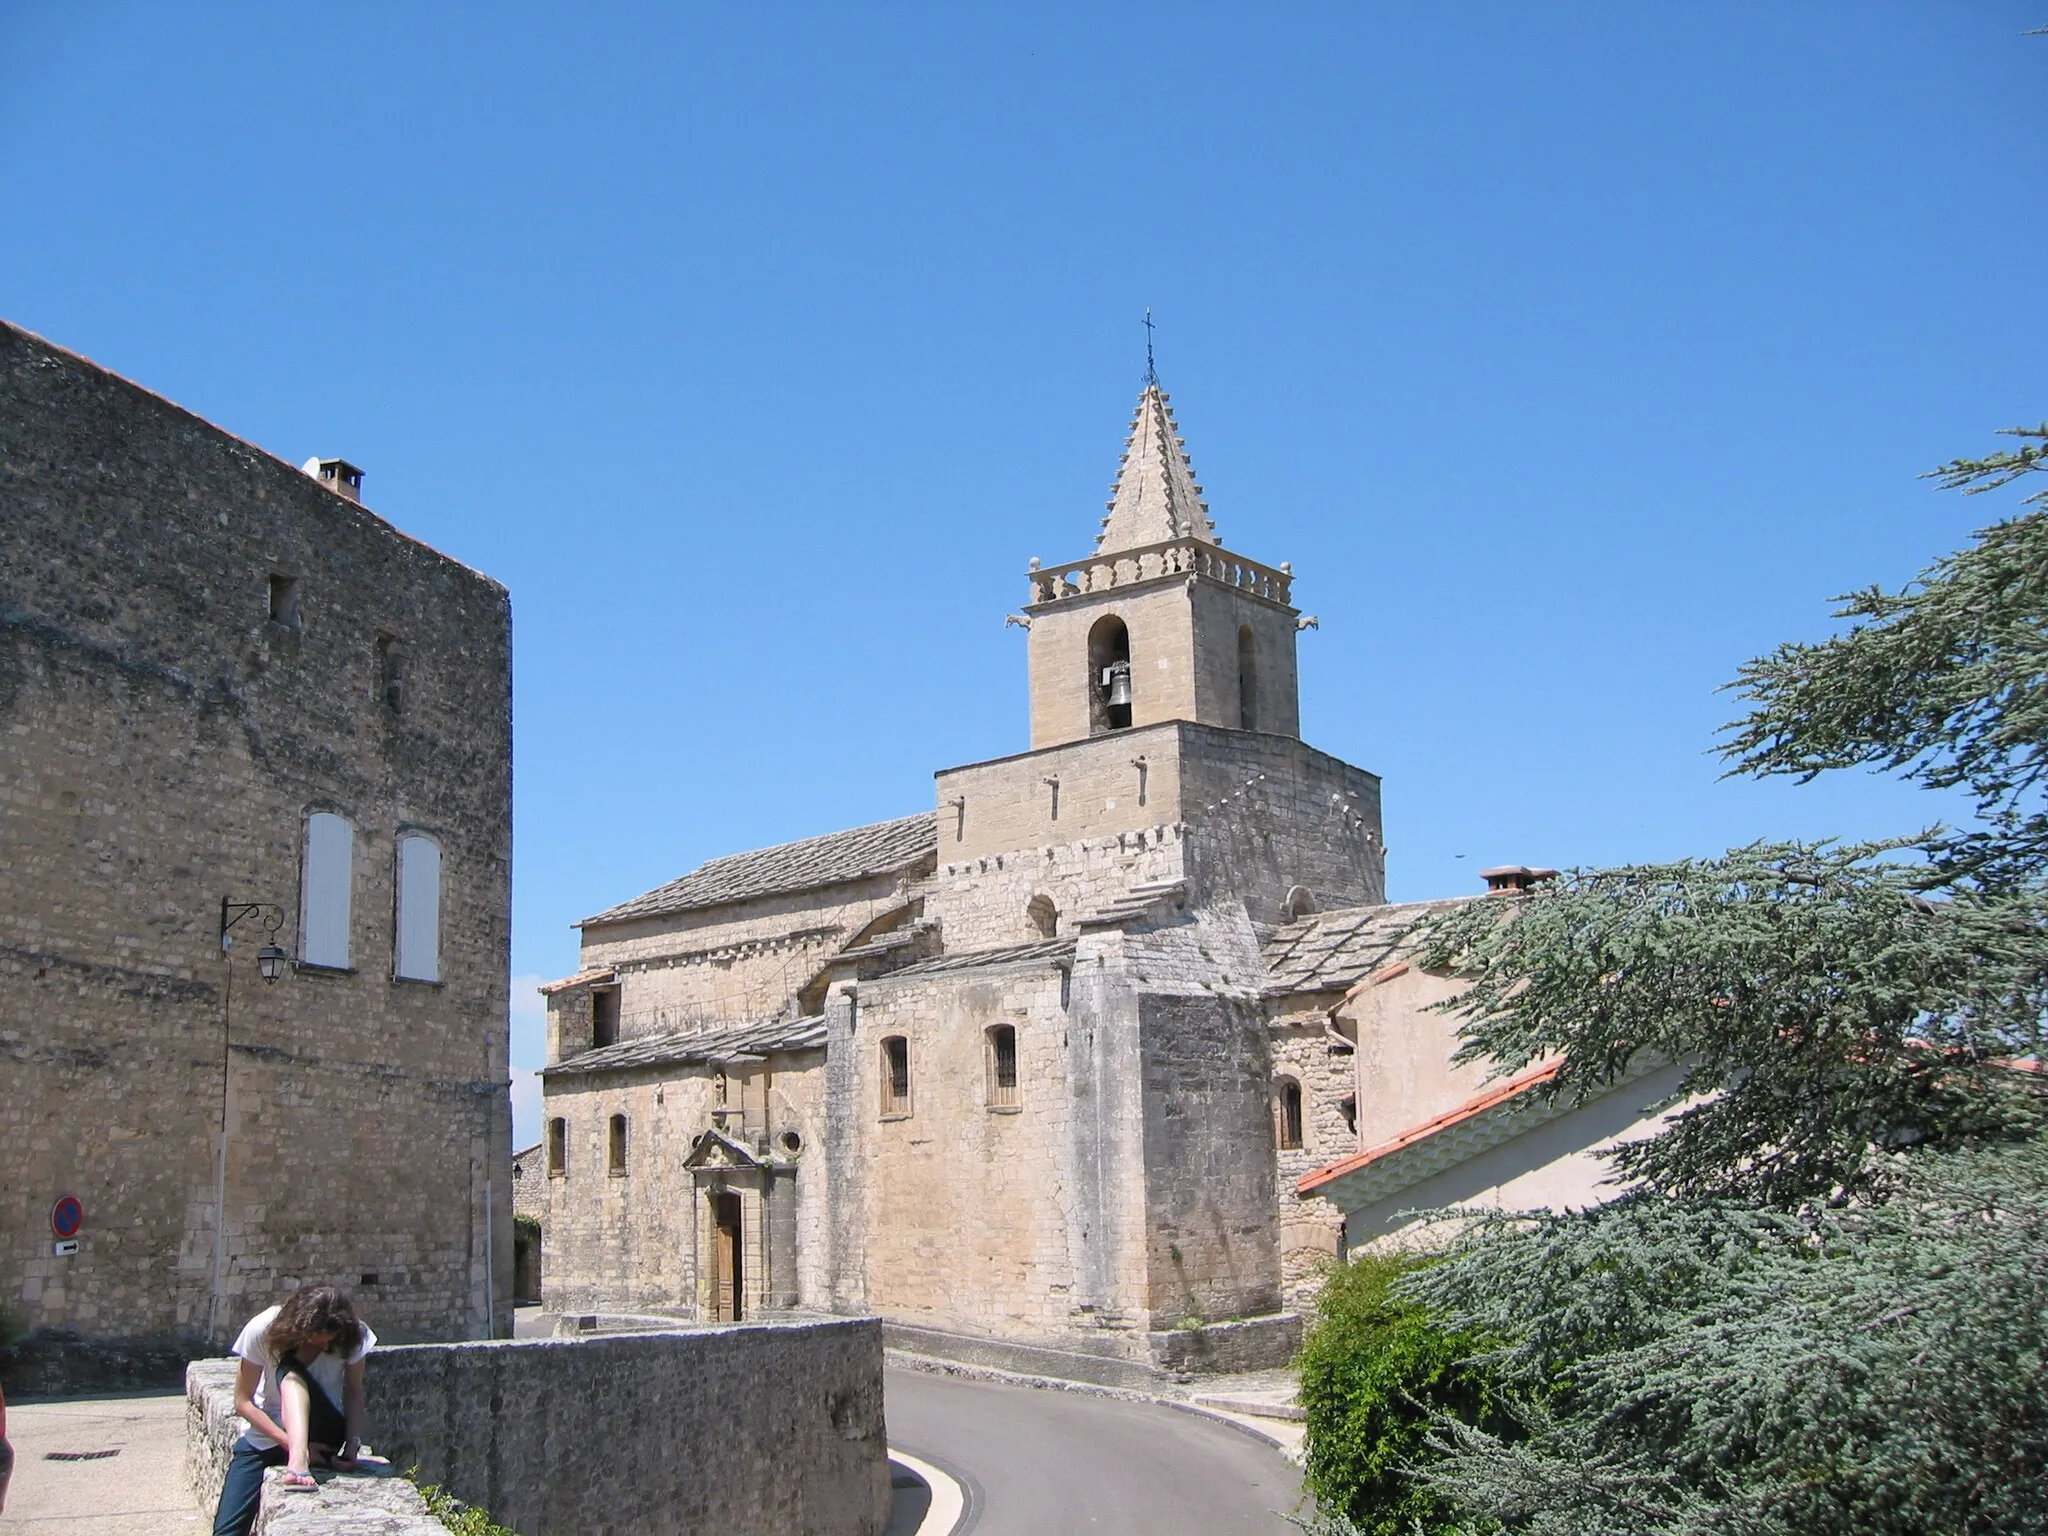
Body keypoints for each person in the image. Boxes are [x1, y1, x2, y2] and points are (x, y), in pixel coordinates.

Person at [212, 1284, 380, 1536]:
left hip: (322, 1433)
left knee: (290, 1374)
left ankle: (298, 1462)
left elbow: (354, 1393)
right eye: (319, 1339)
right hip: (267, 1437)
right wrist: (289, 1443)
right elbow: (242, 1401)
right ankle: (297, 1454)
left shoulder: (355, 1335)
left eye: (330, 1341)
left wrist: (352, 1447)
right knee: (226, 1530)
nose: (325, 1348)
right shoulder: (263, 1328)